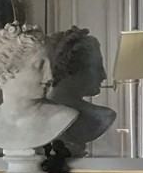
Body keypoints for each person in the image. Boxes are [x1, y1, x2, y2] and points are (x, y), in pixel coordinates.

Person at [0, 22, 77, 150]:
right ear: (8, 70)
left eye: (50, 66)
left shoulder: (62, 117)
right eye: (39, 66)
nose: (50, 76)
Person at [46, 26, 117, 155]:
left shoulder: (102, 117)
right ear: (72, 70)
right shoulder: (100, 118)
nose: (104, 76)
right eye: (97, 67)